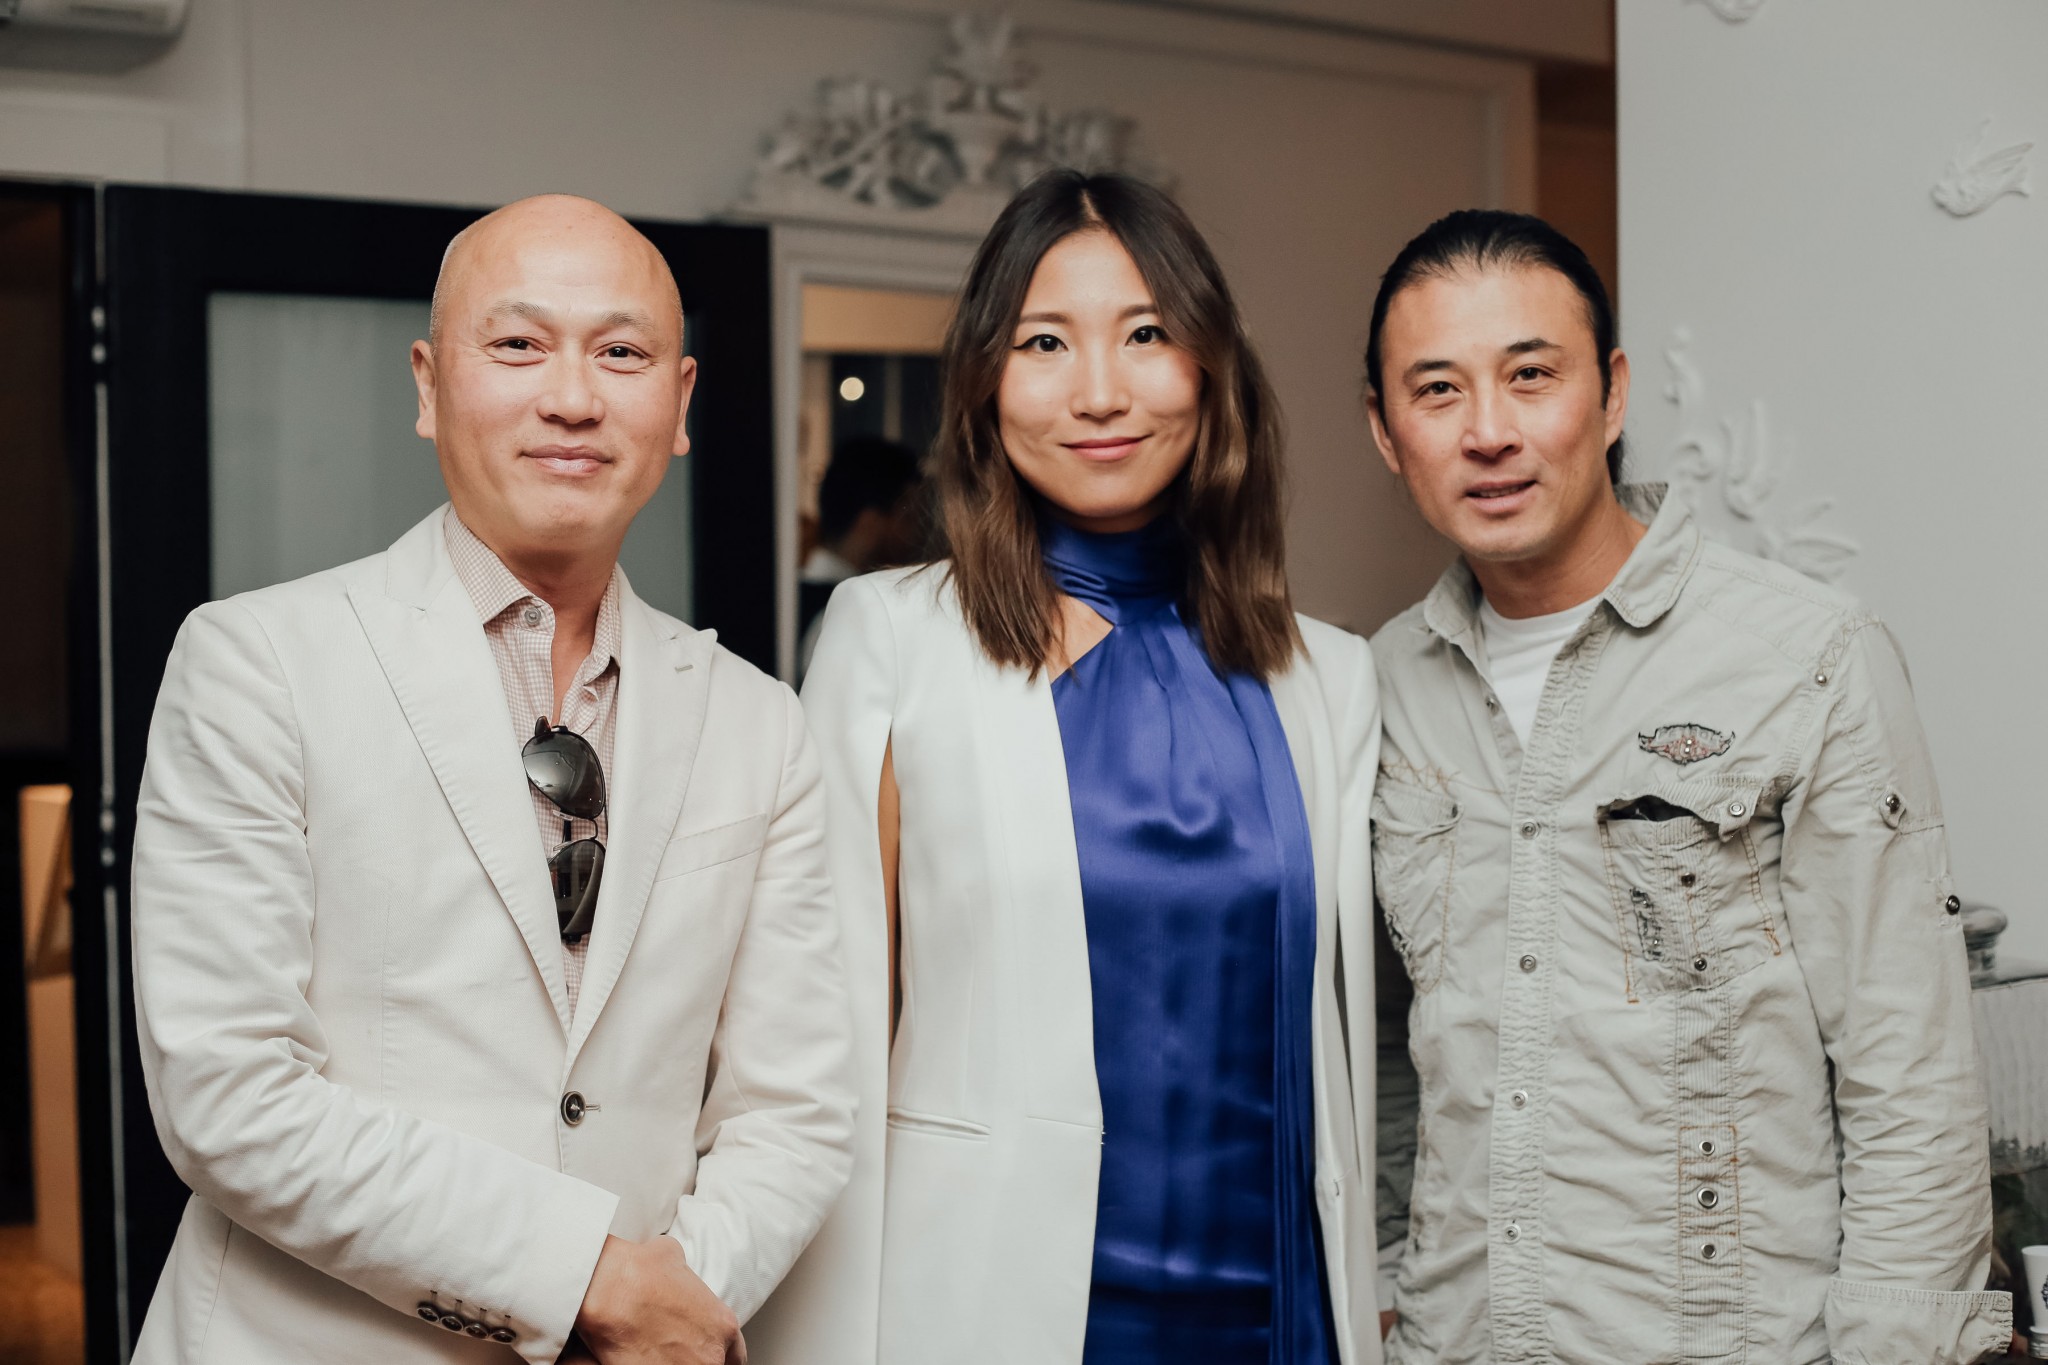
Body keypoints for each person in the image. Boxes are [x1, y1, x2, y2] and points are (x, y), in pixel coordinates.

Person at [129, 195, 854, 1364]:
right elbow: (230, 1093)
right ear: (428, 386)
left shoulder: (757, 720)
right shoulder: (257, 662)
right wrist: (582, 1285)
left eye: (621, 354)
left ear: (679, 404)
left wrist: (666, 1307)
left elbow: (796, 1108)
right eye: (517, 344)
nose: (571, 396)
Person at [752, 169, 1381, 1365]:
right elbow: (824, 1041)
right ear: (984, 380)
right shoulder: (891, 639)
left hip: (1277, 1313)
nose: (1099, 391)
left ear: (1210, 366)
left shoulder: (1327, 680)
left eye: (1144, 334)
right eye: (1044, 341)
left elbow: (1354, 1065)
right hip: (996, 1310)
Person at [1364, 209, 2011, 1363]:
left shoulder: (1807, 657)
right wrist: (1375, 1284)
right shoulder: (1373, 691)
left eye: (1529, 376)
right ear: (1383, 431)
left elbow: (1907, 1073)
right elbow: (1380, 1056)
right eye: (1437, 391)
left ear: (1610, 394)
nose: (1488, 432)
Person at [797, 435, 925, 678]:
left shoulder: (793, 597)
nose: (917, 532)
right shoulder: (846, 612)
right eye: (909, 516)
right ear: (870, 521)